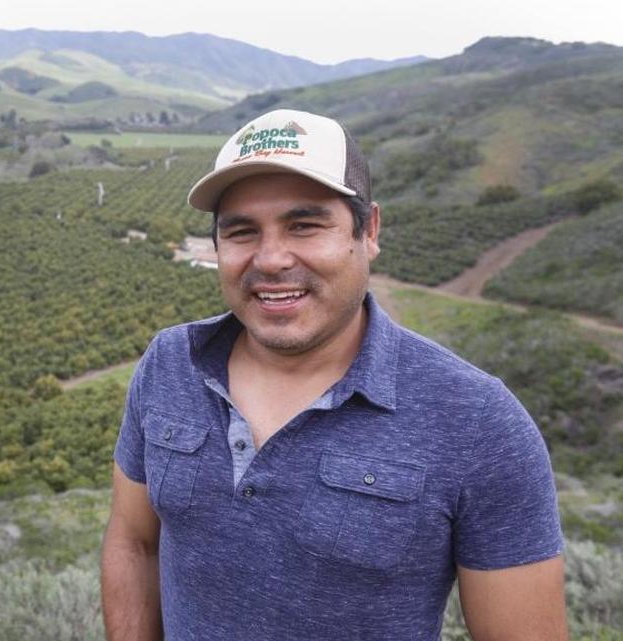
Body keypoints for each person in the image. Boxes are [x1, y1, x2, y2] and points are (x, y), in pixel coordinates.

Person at [100, 109, 568, 641]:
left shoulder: (479, 421)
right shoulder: (169, 363)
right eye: (242, 231)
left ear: (368, 231)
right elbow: (134, 542)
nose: (271, 259)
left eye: (304, 225)